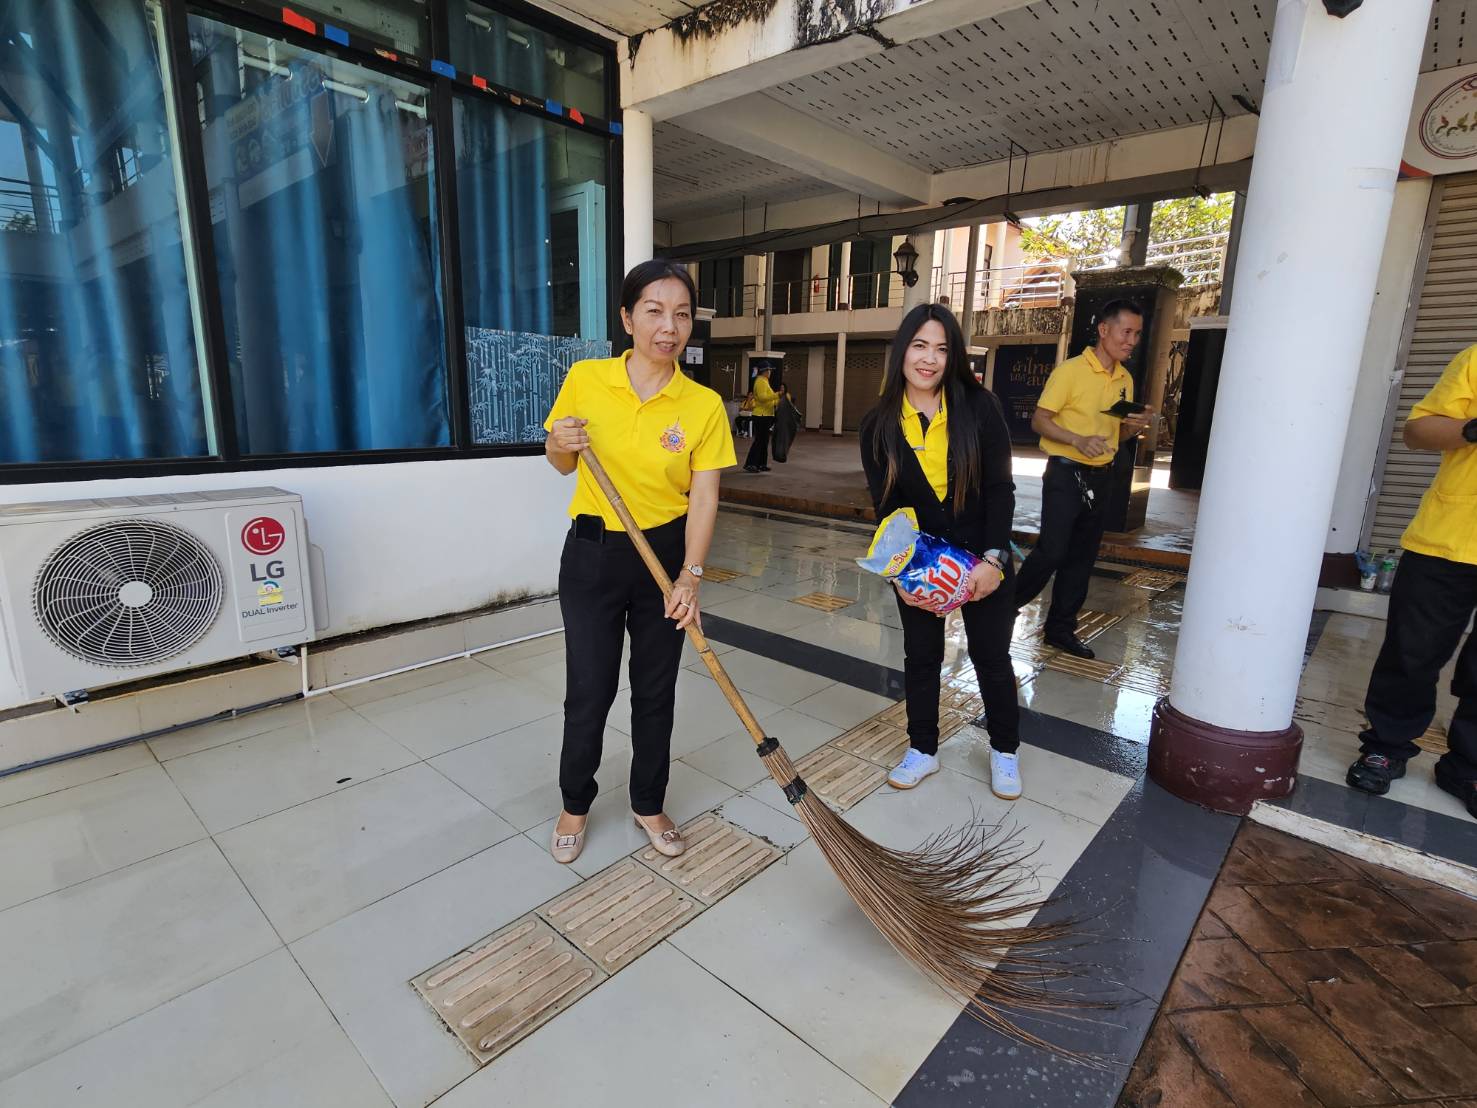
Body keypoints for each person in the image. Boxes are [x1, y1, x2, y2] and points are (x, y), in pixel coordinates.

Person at [543, 260, 737, 863]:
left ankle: (648, 803)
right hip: (593, 556)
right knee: (590, 689)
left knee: (655, 693)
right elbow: (561, 461)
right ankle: (575, 803)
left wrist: (692, 574)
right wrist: (559, 443)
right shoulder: (587, 379)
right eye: (653, 311)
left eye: (681, 314)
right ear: (627, 318)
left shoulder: (702, 405)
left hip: (667, 557)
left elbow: (704, 494)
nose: (668, 326)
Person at [860, 304, 1024, 799]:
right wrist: (899, 579)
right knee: (921, 656)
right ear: (902, 351)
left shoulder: (980, 408)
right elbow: (888, 512)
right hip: (921, 564)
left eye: (941, 348)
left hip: (985, 555)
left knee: (991, 655)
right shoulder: (878, 425)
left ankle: (1005, 751)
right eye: (919, 346)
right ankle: (923, 749)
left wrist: (994, 561)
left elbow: (1001, 489)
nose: (929, 359)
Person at [1347, 343, 1477, 819]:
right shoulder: (1476, 360)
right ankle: (1387, 746)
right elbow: (1418, 430)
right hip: (1448, 536)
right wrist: (1470, 429)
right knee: (1411, 651)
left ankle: (1467, 766)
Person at [1012, 300, 1155, 658]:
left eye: (1137, 334)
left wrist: (1131, 429)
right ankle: (1002, 606)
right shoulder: (1071, 372)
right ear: (1104, 330)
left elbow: (1114, 436)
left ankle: (1061, 629)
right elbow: (1040, 420)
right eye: (1127, 331)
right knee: (1053, 551)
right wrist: (1076, 440)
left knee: (1082, 558)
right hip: (1065, 473)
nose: (1132, 340)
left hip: (1101, 477)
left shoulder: (1125, 378)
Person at [743, 365, 778, 472]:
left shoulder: (764, 381)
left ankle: (761, 463)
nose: (770, 372)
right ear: (765, 371)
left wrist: (778, 400)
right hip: (761, 415)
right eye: (769, 370)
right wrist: (777, 395)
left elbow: (769, 399)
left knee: (764, 441)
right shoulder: (761, 382)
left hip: (766, 415)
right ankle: (751, 464)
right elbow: (762, 398)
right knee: (759, 441)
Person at [772, 384, 801, 463]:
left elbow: (787, 405)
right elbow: (774, 403)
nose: (781, 389)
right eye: (780, 387)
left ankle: (782, 454)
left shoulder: (786, 396)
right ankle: (777, 454)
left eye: (783, 388)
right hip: (778, 418)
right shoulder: (777, 395)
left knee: (784, 437)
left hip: (784, 419)